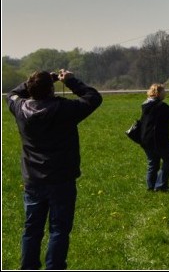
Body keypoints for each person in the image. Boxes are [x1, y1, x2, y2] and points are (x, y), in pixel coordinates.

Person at [6, 69, 102, 270]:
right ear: (52, 89)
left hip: (32, 179)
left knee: (32, 230)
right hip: (61, 178)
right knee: (59, 229)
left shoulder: (20, 108)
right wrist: (70, 81)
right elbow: (93, 98)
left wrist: (37, 81)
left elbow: (12, 94)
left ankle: (28, 267)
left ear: (31, 89)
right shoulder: (64, 108)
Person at [140, 84, 169, 192]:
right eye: (164, 91)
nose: (166, 93)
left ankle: (151, 186)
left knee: (153, 162)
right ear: (158, 93)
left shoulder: (145, 105)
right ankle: (160, 186)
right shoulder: (161, 106)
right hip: (159, 139)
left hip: (145, 139)